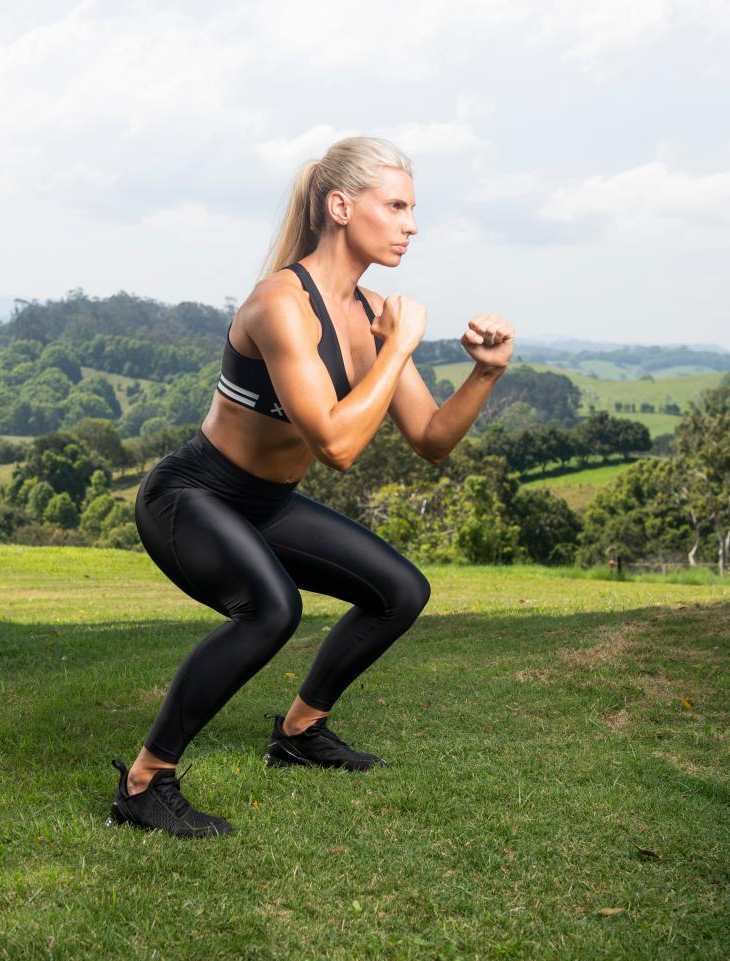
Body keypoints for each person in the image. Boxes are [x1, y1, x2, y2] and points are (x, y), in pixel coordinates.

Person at [108, 136, 514, 837]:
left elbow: (432, 439)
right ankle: (145, 782)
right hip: (192, 497)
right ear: (340, 206)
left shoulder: (368, 315)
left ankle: (299, 733)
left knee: (401, 592)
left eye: (412, 209)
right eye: (395, 206)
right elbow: (336, 444)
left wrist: (484, 372)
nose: (411, 224)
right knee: (271, 609)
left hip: (266, 504)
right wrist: (396, 348)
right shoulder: (279, 304)